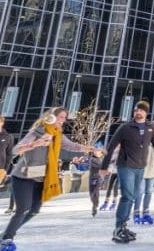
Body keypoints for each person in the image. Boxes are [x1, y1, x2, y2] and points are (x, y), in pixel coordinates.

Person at [0, 107, 94, 250]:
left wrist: (91, 149)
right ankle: (7, 238)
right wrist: (35, 143)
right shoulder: (37, 132)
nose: (63, 120)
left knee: (34, 210)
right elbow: (15, 149)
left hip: (41, 178)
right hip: (24, 176)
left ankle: (6, 233)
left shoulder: (58, 135)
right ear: (52, 117)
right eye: (61, 117)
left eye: (65, 118)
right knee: (23, 209)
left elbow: (72, 146)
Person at [101, 101, 154, 244]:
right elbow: (111, 146)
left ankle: (123, 226)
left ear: (146, 113)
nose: (139, 112)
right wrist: (104, 166)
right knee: (127, 196)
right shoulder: (125, 127)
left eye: (142, 110)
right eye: (137, 110)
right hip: (126, 166)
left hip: (140, 167)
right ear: (134, 112)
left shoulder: (151, 128)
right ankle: (118, 228)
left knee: (133, 196)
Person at [133, 118, 154, 226]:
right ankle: (136, 213)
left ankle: (146, 213)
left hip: (153, 169)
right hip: (142, 169)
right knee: (140, 191)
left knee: (149, 191)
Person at [89, 146, 107, 216]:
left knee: (95, 191)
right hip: (93, 177)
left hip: (97, 177)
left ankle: (95, 205)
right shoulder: (93, 159)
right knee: (92, 192)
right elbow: (100, 165)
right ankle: (95, 205)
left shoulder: (100, 159)